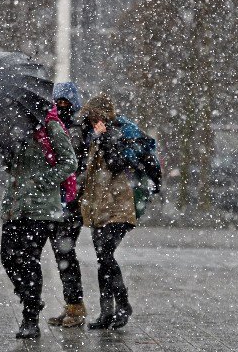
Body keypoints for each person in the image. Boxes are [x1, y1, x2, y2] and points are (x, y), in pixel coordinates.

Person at [0, 105, 77, 339]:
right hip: (15, 206)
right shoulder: (14, 128)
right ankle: (29, 297)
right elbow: (13, 167)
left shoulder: (50, 127)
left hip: (41, 209)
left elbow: (69, 162)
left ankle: (30, 317)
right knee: (7, 256)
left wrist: (43, 181)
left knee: (29, 259)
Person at [79, 94, 136, 330]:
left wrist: (103, 139)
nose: (92, 121)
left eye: (94, 117)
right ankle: (106, 312)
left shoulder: (114, 135)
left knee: (105, 255)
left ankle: (123, 304)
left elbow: (116, 164)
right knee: (103, 260)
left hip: (117, 208)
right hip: (99, 208)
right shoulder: (94, 136)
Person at [47, 82, 91, 328]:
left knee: (65, 253)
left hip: (70, 202)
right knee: (61, 253)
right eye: (58, 102)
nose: (62, 106)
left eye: (66, 102)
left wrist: (73, 189)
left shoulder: (78, 129)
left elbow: (77, 164)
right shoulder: (56, 125)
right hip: (58, 201)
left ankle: (75, 306)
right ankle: (72, 305)